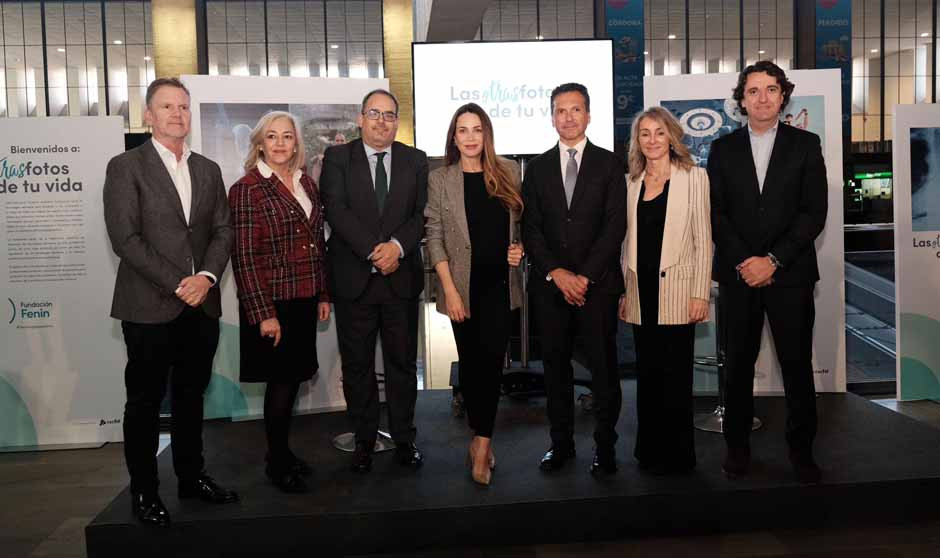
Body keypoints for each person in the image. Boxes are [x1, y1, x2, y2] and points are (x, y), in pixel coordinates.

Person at [103, 77, 237, 527]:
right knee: (143, 403)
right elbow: (126, 239)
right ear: (148, 115)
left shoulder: (208, 169)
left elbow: (223, 231)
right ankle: (144, 491)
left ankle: (190, 477)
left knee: (190, 397)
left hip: (201, 306)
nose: (177, 114)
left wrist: (206, 277)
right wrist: (182, 282)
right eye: (167, 107)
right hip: (148, 307)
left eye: (183, 107)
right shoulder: (126, 167)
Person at [707, 60, 828, 483]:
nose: (762, 98)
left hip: (790, 276)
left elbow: (814, 214)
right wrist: (747, 262)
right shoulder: (722, 150)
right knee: (738, 367)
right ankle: (737, 450)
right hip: (740, 277)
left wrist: (773, 260)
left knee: (796, 367)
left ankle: (802, 452)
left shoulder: (806, 145)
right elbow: (717, 214)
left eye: (771, 90)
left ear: (783, 96)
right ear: (742, 99)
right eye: (753, 90)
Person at [319, 89, 428, 473]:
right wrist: (375, 250)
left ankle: (404, 439)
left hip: (401, 279)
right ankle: (364, 440)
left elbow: (421, 213)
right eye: (374, 114)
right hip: (355, 280)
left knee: (402, 365)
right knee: (358, 366)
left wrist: (396, 247)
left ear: (398, 121)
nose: (382, 121)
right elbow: (335, 208)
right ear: (360, 119)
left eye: (390, 115)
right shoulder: (337, 158)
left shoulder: (415, 160)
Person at [522, 83, 627, 475]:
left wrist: (583, 276)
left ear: (588, 115)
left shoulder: (611, 164)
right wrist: (557, 273)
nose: (568, 117)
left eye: (575, 109)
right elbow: (531, 228)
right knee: (555, 372)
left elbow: (615, 226)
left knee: (603, 372)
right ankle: (560, 444)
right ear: (552, 117)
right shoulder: (536, 169)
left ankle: (606, 448)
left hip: (596, 288)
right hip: (551, 290)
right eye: (560, 110)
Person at [228, 111, 331, 494]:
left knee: (293, 380)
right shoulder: (247, 189)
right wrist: (264, 315)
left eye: (287, 137)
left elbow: (316, 241)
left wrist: (322, 292)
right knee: (282, 384)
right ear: (259, 143)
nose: (280, 143)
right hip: (273, 304)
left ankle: (282, 454)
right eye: (272, 137)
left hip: (304, 298)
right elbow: (244, 257)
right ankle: (275, 462)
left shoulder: (306, 182)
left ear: (296, 143)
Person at [425, 103, 525, 486]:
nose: (470, 137)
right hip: (461, 289)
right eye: (463, 130)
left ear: (487, 135)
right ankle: (479, 436)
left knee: (492, 366)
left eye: (477, 129)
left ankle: (482, 444)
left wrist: (519, 248)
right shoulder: (441, 179)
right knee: (471, 366)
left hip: (500, 287)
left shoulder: (508, 172)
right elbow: (434, 237)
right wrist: (449, 291)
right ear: (454, 136)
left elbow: (521, 227)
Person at [619, 107, 712, 474]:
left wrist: (700, 292)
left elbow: (704, 241)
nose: (652, 140)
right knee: (648, 376)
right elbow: (627, 242)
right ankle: (649, 451)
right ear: (637, 141)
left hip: (679, 289)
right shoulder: (632, 182)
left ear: (672, 136)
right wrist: (626, 291)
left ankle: (678, 455)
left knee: (675, 378)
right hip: (641, 291)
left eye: (659, 132)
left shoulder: (694, 177)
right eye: (645, 134)